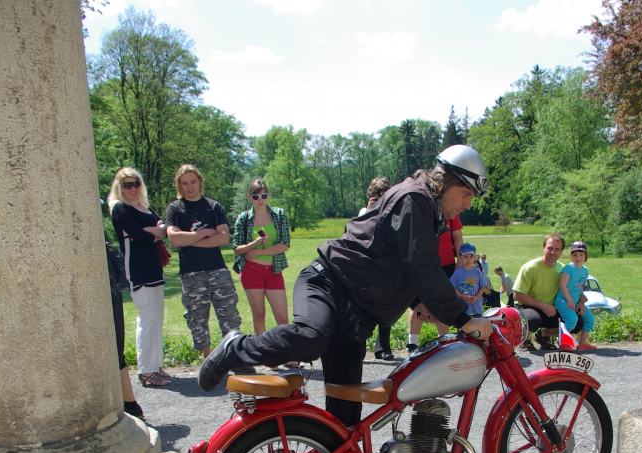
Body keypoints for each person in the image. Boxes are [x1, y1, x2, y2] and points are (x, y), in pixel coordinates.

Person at [198, 144, 493, 427]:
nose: (467, 204)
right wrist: (464, 319)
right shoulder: (415, 199)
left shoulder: (427, 207)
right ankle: (235, 347)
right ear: (445, 181)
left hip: (355, 317)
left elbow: (393, 261)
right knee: (311, 337)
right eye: (465, 193)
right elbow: (422, 266)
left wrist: (417, 301)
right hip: (327, 283)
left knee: (346, 411)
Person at [165, 164, 242, 359]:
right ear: (179, 185)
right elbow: (174, 239)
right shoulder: (175, 208)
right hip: (191, 273)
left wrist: (190, 240)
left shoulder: (213, 206)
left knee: (230, 317)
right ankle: (208, 362)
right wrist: (203, 234)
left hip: (217, 270)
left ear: (199, 181)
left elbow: (224, 238)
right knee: (197, 320)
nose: (189, 187)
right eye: (184, 183)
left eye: (193, 181)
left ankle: (233, 359)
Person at [108, 168, 170, 387]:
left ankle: (155, 366)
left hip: (154, 268)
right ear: (119, 187)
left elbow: (164, 229)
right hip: (136, 270)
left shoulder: (144, 206)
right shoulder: (120, 208)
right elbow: (141, 237)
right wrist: (157, 231)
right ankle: (145, 371)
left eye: (135, 183)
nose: (132, 188)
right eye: (127, 184)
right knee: (147, 318)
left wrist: (156, 230)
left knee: (157, 318)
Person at [232, 179, 292, 341]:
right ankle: (264, 354)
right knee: (259, 314)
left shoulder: (279, 215)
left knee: (282, 317)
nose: (260, 200)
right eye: (255, 196)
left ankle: (287, 353)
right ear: (249, 197)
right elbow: (237, 249)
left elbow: (285, 245)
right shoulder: (244, 218)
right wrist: (255, 243)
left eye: (263, 196)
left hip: (274, 270)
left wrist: (258, 251)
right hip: (252, 270)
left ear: (268, 196)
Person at [407, 214, 464, 350]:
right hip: (423, 263)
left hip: (447, 263)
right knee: (418, 304)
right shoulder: (422, 208)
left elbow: (457, 236)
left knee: (443, 302)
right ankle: (412, 345)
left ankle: (444, 344)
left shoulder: (451, 210)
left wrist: (460, 260)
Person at [106, 242, 144, 420]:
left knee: (113, 351)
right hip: (107, 286)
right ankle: (131, 405)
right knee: (114, 351)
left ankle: (130, 405)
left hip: (105, 288)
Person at [359, 177, 396, 360]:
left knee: (386, 305)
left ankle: (384, 347)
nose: (379, 199)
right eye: (376, 196)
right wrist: (369, 209)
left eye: (383, 195)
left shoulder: (392, 211)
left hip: (384, 263)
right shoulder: (363, 212)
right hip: (367, 263)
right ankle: (359, 345)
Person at [513, 234, 566, 350]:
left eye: (557, 249)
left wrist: (581, 300)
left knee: (576, 321)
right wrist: (543, 306)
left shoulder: (564, 270)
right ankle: (523, 338)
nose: (553, 252)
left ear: (562, 251)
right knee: (533, 320)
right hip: (527, 306)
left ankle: (543, 335)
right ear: (543, 247)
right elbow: (517, 295)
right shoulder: (530, 267)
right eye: (550, 248)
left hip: (550, 309)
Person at [555, 241, 596, 351]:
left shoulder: (585, 270)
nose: (578, 257)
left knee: (590, 320)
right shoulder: (568, 269)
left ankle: (582, 344)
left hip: (576, 300)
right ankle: (564, 343)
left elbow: (580, 285)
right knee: (572, 319)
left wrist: (581, 298)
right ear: (570, 255)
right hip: (564, 300)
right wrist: (570, 300)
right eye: (575, 255)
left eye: (581, 255)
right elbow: (563, 286)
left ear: (585, 256)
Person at [450, 243, 489, 316]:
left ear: (475, 257)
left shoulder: (477, 272)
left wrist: (477, 297)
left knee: (477, 326)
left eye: (471, 256)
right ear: (460, 256)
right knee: (464, 327)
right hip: (463, 310)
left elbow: (482, 286)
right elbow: (452, 288)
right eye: (465, 256)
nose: (468, 259)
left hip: (477, 308)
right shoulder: (458, 272)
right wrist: (461, 296)